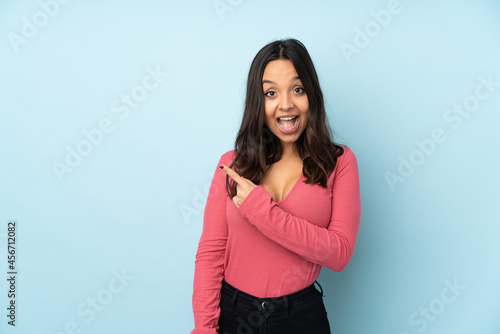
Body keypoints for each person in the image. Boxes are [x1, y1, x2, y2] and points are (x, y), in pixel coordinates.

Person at [191, 38, 361, 334]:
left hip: (301, 317)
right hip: (233, 313)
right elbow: (211, 252)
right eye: (271, 93)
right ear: (259, 101)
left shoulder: (340, 162)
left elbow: (339, 253)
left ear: (312, 95)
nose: (286, 104)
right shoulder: (233, 165)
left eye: (298, 89)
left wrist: (261, 209)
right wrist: (203, 329)